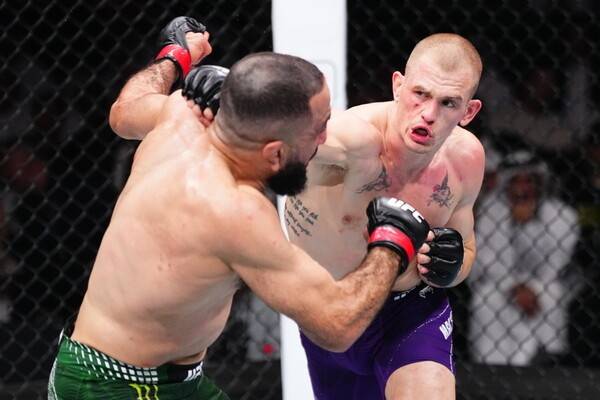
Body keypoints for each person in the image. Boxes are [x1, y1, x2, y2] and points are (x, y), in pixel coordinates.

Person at [47, 17, 432, 399]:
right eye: (318, 128)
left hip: (156, 377)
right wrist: (392, 244)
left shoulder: (180, 117)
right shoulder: (235, 213)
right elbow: (336, 324)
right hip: (110, 388)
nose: (325, 138)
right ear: (275, 153)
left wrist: (174, 57)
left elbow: (124, 110)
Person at [280, 33, 485, 399]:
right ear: (398, 86)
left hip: (409, 314)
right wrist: (221, 98)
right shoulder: (352, 140)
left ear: (468, 112)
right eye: (420, 94)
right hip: (329, 310)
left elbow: (465, 249)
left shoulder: (465, 160)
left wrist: (451, 264)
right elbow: (274, 138)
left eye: (448, 103)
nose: (429, 114)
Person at [469, 150, 580, 365]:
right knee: (485, 299)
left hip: (545, 284)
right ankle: (489, 366)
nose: (523, 188)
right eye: (516, 181)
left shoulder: (564, 215)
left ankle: (546, 362)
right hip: (501, 284)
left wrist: (529, 226)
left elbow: (555, 266)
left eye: (529, 181)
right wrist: (513, 286)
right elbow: (487, 260)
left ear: (540, 183)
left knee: (552, 296)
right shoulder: (491, 212)